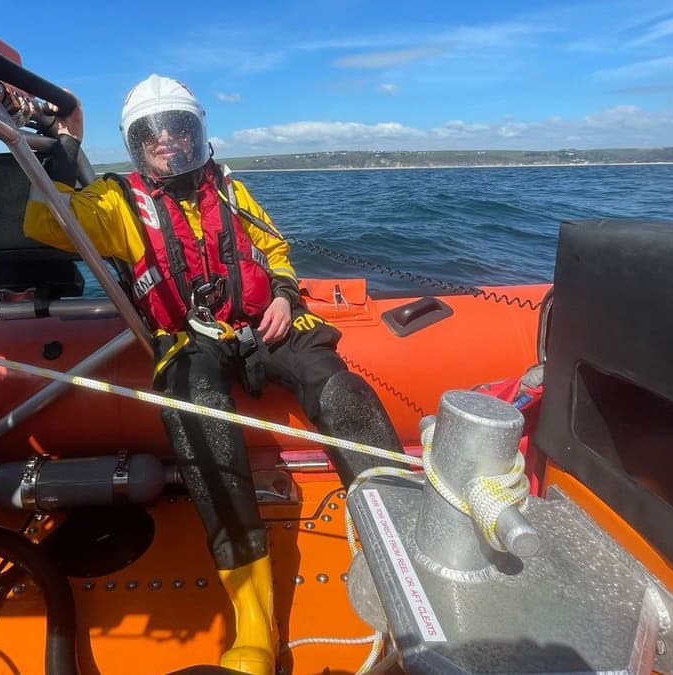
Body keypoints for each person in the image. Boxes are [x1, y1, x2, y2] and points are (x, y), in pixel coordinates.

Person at [22, 74, 404, 675]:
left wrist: (284, 296)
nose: (169, 143)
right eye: (154, 136)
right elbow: (47, 219)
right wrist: (65, 144)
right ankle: (253, 618)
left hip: (266, 325)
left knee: (342, 391)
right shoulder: (118, 202)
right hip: (189, 339)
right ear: (136, 146)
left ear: (197, 135)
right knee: (198, 414)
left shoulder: (231, 189)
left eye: (180, 131)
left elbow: (274, 252)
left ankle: (404, 552)